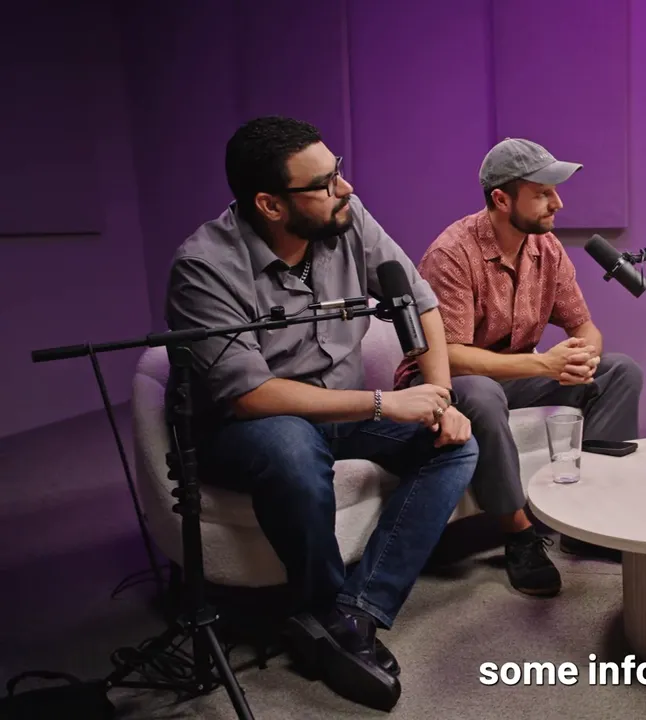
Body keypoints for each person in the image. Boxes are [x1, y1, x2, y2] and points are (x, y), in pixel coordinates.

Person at [165, 116, 478, 711]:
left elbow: (422, 304)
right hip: (248, 428)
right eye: (326, 182)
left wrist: (439, 401)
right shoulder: (203, 266)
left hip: (340, 411)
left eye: (339, 171)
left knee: (455, 446)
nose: (347, 189)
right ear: (271, 204)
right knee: (289, 443)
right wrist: (386, 402)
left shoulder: (346, 220)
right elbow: (251, 394)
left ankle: (351, 616)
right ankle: (321, 603)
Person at [393, 138, 644, 597]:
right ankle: (518, 534)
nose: (558, 202)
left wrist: (582, 356)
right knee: (483, 393)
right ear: (502, 199)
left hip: (512, 376)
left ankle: (589, 518)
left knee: (618, 370)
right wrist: (544, 363)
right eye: (544, 191)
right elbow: (446, 354)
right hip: (446, 384)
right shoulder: (452, 253)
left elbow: (584, 325)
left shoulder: (545, 248)